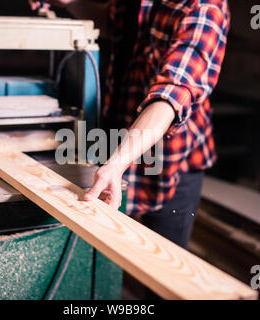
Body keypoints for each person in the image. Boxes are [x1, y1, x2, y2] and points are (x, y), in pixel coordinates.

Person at [45, 0, 230, 250]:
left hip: (173, 156)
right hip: (122, 134)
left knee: (166, 263)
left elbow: (171, 96)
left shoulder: (206, 8)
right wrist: (69, 3)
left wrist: (118, 162)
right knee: (113, 246)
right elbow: (113, 21)